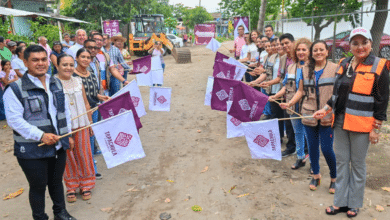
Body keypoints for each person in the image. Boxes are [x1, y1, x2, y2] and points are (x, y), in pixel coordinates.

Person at [313, 28, 390, 218]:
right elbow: (337, 94)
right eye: (355, 43)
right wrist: (325, 109)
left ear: (371, 44)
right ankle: (340, 202)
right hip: (339, 122)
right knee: (341, 163)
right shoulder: (344, 63)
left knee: (357, 165)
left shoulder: (380, 66)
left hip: (362, 126)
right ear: (350, 46)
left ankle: (354, 204)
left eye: (364, 42)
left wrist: (376, 128)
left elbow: (382, 100)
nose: (360, 47)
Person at [3, 45, 77, 220]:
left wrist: (68, 135)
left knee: (56, 182)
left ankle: (61, 213)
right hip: (32, 149)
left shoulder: (55, 82)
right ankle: (40, 217)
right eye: (35, 60)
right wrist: (41, 135)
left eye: (44, 59)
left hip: (57, 144)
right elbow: (14, 121)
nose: (40, 63)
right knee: (38, 186)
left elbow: (64, 111)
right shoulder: (15, 89)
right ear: (25, 62)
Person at [281, 40, 338, 192]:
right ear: (312, 53)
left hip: (327, 115)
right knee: (312, 148)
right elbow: (300, 91)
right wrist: (289, 103)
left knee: (327, 149)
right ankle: (317, 176)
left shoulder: (335, 68)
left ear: (327, 51)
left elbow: (338, 93)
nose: (318, 52)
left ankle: (334, 178)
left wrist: (330, 110)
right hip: (309, 113)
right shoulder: (305, 69)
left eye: (321, 50)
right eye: (315, 50)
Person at [55, 54, 96, 203]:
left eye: (71, 65)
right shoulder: (53, 84)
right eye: (64, 65)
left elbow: (86, 103)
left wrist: (90, 122)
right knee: (67, 157)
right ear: (58, 66)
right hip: (64, 128)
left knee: (84, 154)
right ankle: (71, 186)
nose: (68, 68)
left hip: (82, 124)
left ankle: (86, 184)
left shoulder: (78, 81)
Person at [271, 38, 312, 170]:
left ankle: (313, 162)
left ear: (309, 51)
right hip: (292, 106)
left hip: (308, 107)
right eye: (298, 49)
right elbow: (285, 86)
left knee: (310, 135)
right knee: (298, 132)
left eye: (304, 50)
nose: (301, 52)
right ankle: (300, 158)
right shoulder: (291, 67)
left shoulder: (313, 67)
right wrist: (275, 96)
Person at [73, 48, 110, 180]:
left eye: (88, 57)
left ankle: (91, 168)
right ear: (76, 58)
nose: (86, 60)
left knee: (91, 139)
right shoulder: (72, 75)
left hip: (93, 110)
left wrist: (102, 97)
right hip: (78, 114)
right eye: (82, 57)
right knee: (81, 143)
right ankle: (85, 171)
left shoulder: (91, 73)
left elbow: (94, 94)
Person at [276, 33, 296, 157]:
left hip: (299, 97)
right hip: (286, 96)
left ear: (293, 42)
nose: (284, 46)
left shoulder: (299, 58)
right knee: (288, 124)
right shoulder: (283, 59)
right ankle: (291, 147)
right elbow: (281, 78)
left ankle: (304, 151)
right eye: (282, 44)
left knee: (299, 126)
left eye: (287, 43)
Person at [92, 33, 126, 97]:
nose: (98, 42)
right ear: (91, 40)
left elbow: (112, 69)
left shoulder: (105, 55)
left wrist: (124, 81)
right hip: (93, 90)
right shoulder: (87, 55)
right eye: (96, 39)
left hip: (104, 89)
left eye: (101, 40)